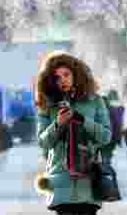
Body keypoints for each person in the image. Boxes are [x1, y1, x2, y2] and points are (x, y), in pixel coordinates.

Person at [34, 51, 112, 215]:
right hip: (61, 182)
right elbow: (43, 143)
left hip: (88, 181)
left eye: (66, 74)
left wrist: (82, 119)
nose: (62, 80)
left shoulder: (95, 101)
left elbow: (105, 137)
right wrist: (58, 124)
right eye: (57, 77)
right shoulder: (48, 105)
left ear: (76, 75)